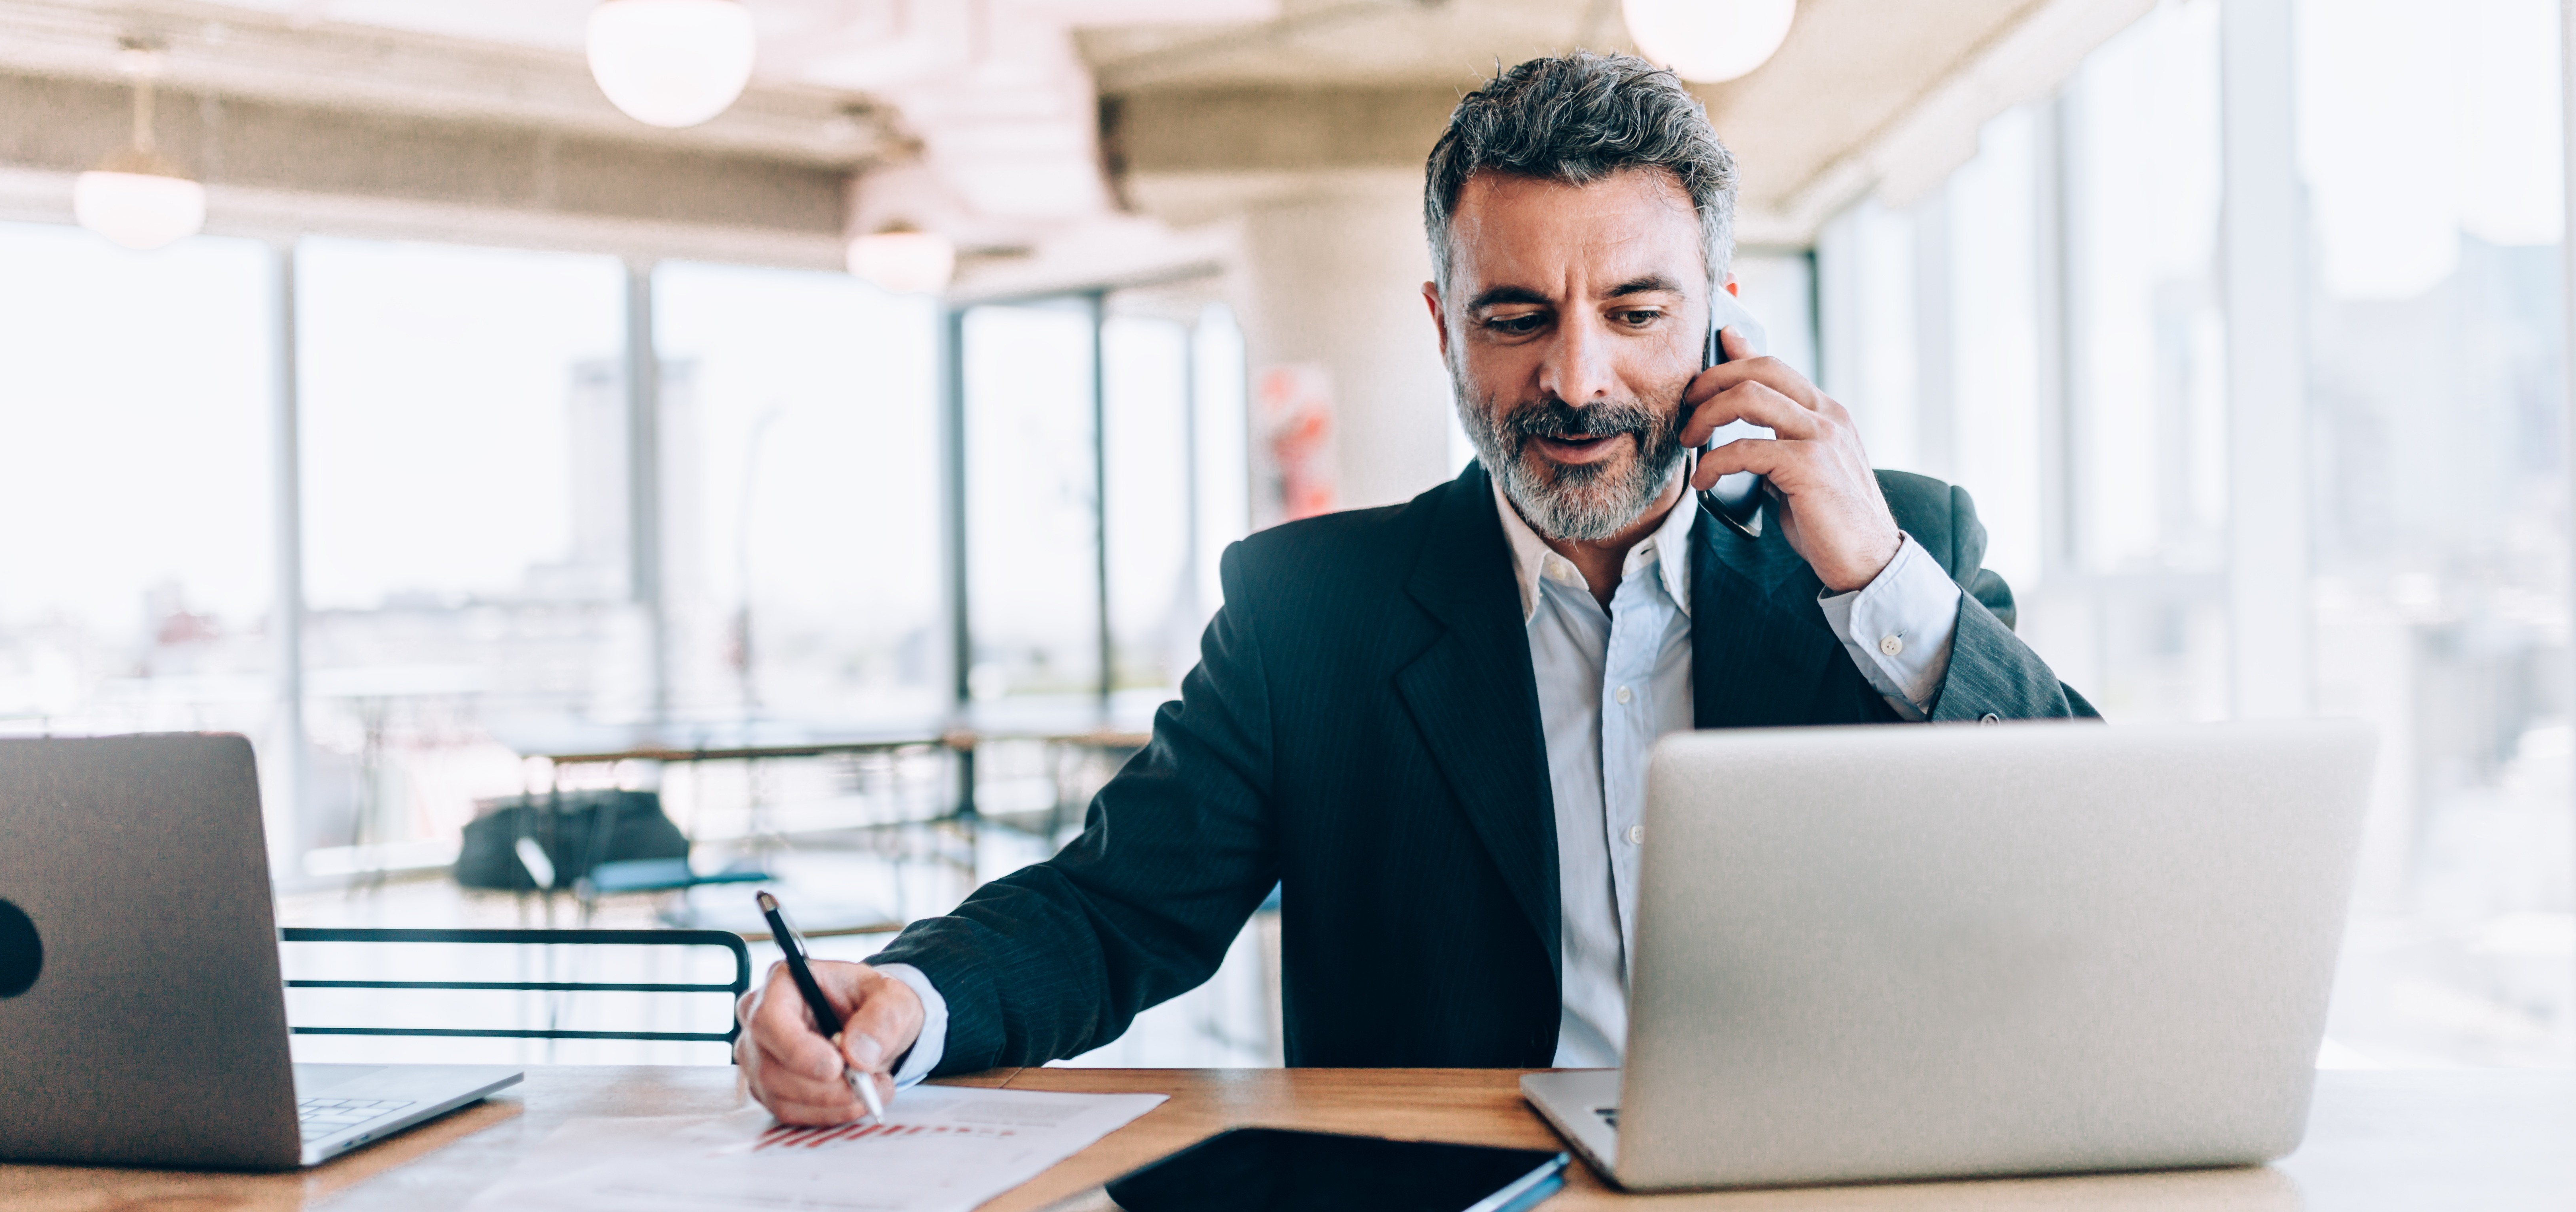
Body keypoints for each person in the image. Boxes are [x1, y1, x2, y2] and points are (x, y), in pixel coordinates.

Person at [736, 51, 2098, 1125]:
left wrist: (1879, 585)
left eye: (1635, 312)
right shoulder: (1310, 611)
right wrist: (909, 998)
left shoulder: (1893, 548)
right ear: (1445, 326)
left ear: (1720, 313)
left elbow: (2083, 875)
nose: (1576, 381)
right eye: (1517, 318)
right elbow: (1116, 908)